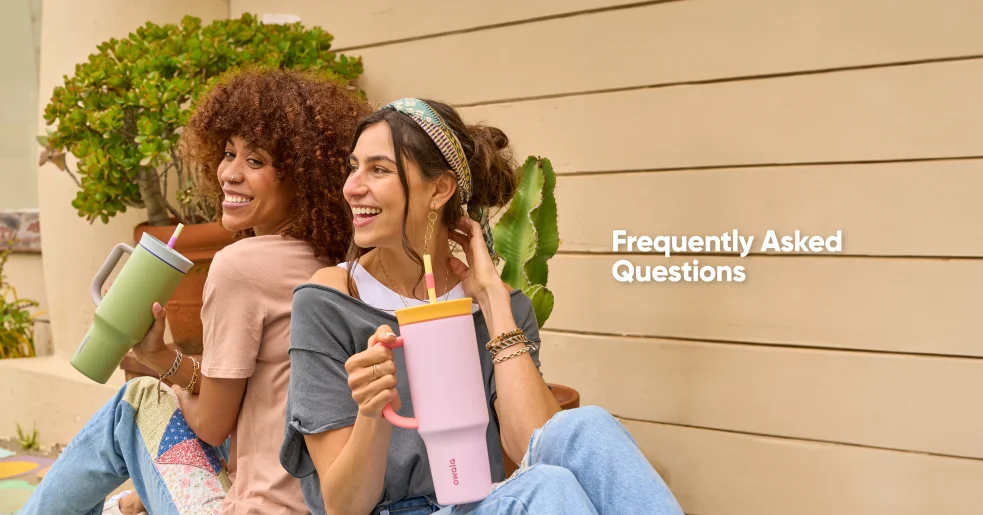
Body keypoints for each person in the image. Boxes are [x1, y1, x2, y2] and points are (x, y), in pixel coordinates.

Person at [279, 98, 684, 515]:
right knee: (545, 487)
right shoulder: (330, 302)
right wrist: (372, 413)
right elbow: (343, 506)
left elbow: (535, 442)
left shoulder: (499, 305)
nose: (352, 186)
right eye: (353, 166)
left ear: (440, 189)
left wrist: (492, 301)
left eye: (378, 169)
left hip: (486, 501)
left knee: (586, 427)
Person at [21, 68, 370, 515]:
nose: (230, 173)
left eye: (256, 161)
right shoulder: (337, 264)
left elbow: (211, 424)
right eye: (228, 153)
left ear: (303, 175)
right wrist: (162, 357)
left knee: (136, 402)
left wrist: (154, 371)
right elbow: (247, 391)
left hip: (259, 507)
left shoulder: (241, 267)